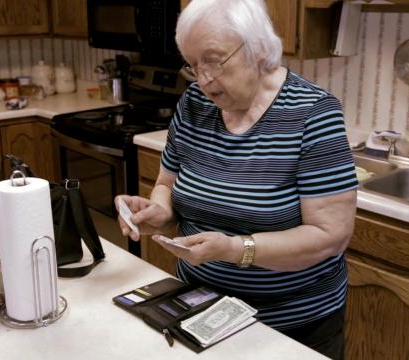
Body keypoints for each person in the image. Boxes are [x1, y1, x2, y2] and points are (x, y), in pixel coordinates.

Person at [115, 0, 358, 358]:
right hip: (200, 310)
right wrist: (158, 213)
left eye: (214, 61)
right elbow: (167, 184)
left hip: (290, 328)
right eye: (194, 66)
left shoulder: (314, 114)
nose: (204, 80)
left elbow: (329, 237)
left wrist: (235, 250)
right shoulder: (194, 104)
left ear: (258, 47)